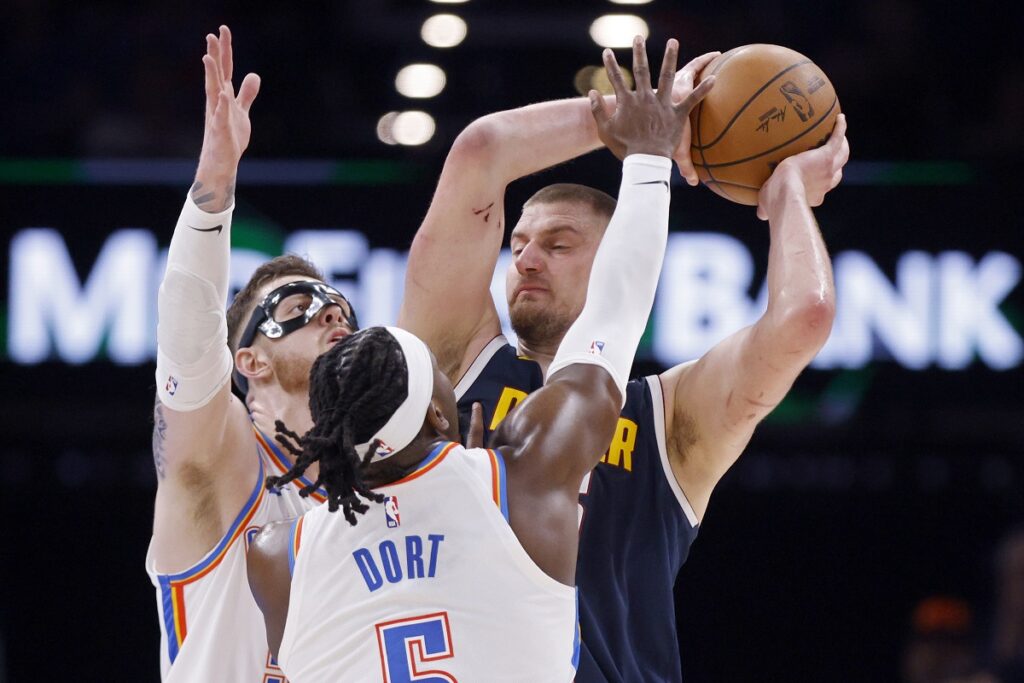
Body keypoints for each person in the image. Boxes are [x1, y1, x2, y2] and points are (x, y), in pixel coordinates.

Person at [246, 38, 711, 682]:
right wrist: (649, 148)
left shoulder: (277, 556)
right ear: (442, 417)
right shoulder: (517, 487)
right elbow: (615, 313)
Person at [397, 35, 850, 682]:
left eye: (558, 243)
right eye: (519, 243)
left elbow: (803, 317)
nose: (524, 257)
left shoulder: (669, 418)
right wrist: (640, 116)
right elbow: (480, 152)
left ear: (620, 256)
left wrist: (788, 200)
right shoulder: (455, 361)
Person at [146, 26, 363, 681]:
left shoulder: (384, 486)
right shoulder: (224, 465)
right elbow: (188, 342)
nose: (331, 311)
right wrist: (214, 189)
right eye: (297, 307)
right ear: (250, 362)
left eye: (339, 308)